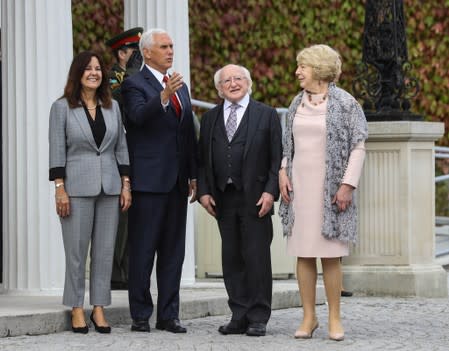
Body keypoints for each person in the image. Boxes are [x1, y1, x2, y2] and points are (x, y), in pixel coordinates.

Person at [278, 44, 368, 341]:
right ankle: (308, 317)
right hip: (300, 190)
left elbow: (358, 146)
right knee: (304, 254)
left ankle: (334, 318)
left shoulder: (346, 103)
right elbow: (287, 146)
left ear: (318, 68)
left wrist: (347, 185)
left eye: (302, 67)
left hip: (331, 191)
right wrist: (282, 173)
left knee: (330, 255)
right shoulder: (295, 103)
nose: (297, 72)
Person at [48, 51, 131, 334]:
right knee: (76, 253)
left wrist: (126, 184)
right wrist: (60, 189)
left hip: (110, 187)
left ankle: (98, 307)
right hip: (76, 188)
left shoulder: (112, 108)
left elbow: (120, 146)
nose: (94, 73)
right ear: (78, 73)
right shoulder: (61, 108)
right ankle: (76, 307)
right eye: (88, 69)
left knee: (106, 251)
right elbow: (57, 150)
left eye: (98, 68)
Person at [121, 28, 197, 334]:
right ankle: (140, 314)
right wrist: (163, 97)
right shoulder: (133, 83)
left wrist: (193, 174)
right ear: (147, 52)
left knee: (173, 253)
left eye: (172, 45)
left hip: (177, 182)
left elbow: (187, 134)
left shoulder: (179, 85)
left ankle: (169, 315)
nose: (170, 51)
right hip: (148, 182)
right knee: (142, 250)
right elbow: (136, 119)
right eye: (164, 46)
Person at [197, 64, 282, 337]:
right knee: (231, 258)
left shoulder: (266, 115)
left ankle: (258, 316)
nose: (233, 83)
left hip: (257, 198)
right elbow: (202, 160)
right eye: (226, 81)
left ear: (248, 83)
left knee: (256, 258)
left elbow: (275, 159)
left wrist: (271, 192)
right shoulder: (209, 118)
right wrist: (204, 191)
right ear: (219, 88)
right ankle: (239, 314)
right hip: (223, 198)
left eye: (238, 79)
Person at [105, 26, 143, 290]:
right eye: (134, 53)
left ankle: (128, 270)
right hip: (115, 155)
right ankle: (115, 273)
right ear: (122, 54)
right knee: (119, 216)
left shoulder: (139, 78)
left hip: (134, 153)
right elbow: (117, 102)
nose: (139, 58)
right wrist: (132, 72)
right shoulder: (113, 78)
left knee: (133, 218)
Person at [106, 27, 144, 111]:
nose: (140, 54)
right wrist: (132, 71)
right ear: (122, 54)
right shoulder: (111, 76)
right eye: (135, 51)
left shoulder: (140, 73)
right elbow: (116, 98)